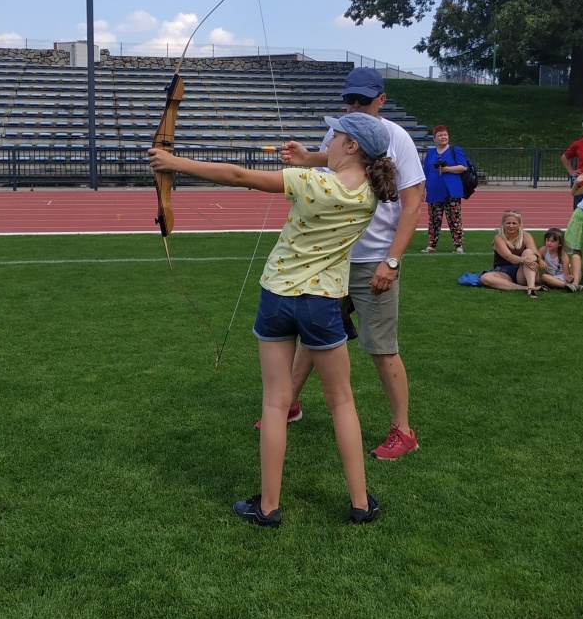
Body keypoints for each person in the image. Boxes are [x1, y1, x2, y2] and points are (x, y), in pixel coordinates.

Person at [148, 111, 399, 527]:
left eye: (334, 136)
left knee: (276, 402)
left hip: (278, 298)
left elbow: (237, 176)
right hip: (322, 304)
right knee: (342, 401)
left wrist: (174, 164)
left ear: (352, 145)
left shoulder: (310, 182)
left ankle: (268, 507)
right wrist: (310, 157)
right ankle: (359, 503)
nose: (328, 141)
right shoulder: (373, 190)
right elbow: (337, 168)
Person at [279, 67, 425, 461]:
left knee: (381, 348)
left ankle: (403, 430)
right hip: (331, 257)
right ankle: (289, 404)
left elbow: (413, 204)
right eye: (350, 100)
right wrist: (307, 157)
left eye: (363, 100)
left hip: (372, 259)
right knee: (314, 335)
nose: (355, 106)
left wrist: (391, 261)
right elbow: (331, 162)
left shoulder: (397, 138)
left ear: (381, 98)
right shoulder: (337, 132)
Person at [421, 124, 468, 253]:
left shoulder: (455, 149)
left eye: (445, 135)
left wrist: (447, 169)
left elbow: (463, 167)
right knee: (434, 220)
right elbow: (425, 173)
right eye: (440, 135)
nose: (443, 137)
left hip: (451, 190)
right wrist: (422, 191)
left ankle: (458, 245)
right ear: (434, 139)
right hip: (434, 191)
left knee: (454, 219)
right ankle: (431, 244)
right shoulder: (430, 153)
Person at [479, 210, 542, 297]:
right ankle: (525, 288)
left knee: (528, 252)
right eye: (508, 223)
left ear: (519, 224)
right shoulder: (498, 238)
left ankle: (531, 288)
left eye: (514, 223)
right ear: (503, 224)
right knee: (485, 278)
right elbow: (509, 257)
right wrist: (526, 260)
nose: (511, 226)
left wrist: (533, 258)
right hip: (505, 272)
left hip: (523, 271)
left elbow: (536, 253)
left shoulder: (526, 236)